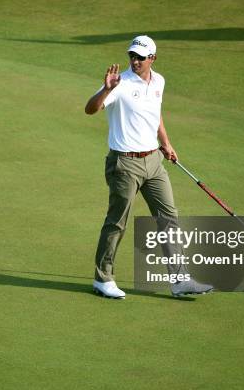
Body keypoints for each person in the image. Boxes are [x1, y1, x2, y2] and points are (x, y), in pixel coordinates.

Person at [84, 35, 213, 299]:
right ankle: (103, 278)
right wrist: (106, 89)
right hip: (124, 163)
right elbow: (90, 109)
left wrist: (166, 143)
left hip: (154, 161)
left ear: (152, 58)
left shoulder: (159, 81)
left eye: (141, 57)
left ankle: (179, 280)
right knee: (117, 222)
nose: (135, 61)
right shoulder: (120, 83)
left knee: (169, 218)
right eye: (132, 55)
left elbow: (155, 114)